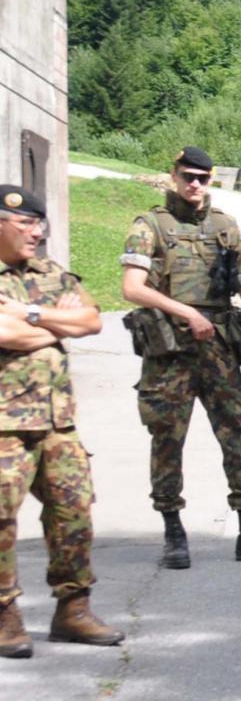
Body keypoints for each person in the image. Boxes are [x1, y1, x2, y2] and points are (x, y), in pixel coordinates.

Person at [120, 146, 241, 569]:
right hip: (170, 351)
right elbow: (133, 287)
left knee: (239, 429)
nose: (195, 184)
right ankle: (173, 532)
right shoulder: (150, 225)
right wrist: (186, 313)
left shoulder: (224, 226)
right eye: (188, 176)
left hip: (219, 348)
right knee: (168, 437)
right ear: (174, 175)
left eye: (202, 177)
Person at [0, 186, 124, 656]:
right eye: (26, 224)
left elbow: (91, 320)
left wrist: (31, 315)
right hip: (5, 424)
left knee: (73, 511)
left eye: (39, 224)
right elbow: (3, 332)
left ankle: (73, 610)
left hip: (58, 422)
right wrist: (54, 326)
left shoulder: (49, 272)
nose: (37, 232)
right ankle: (5, 617)